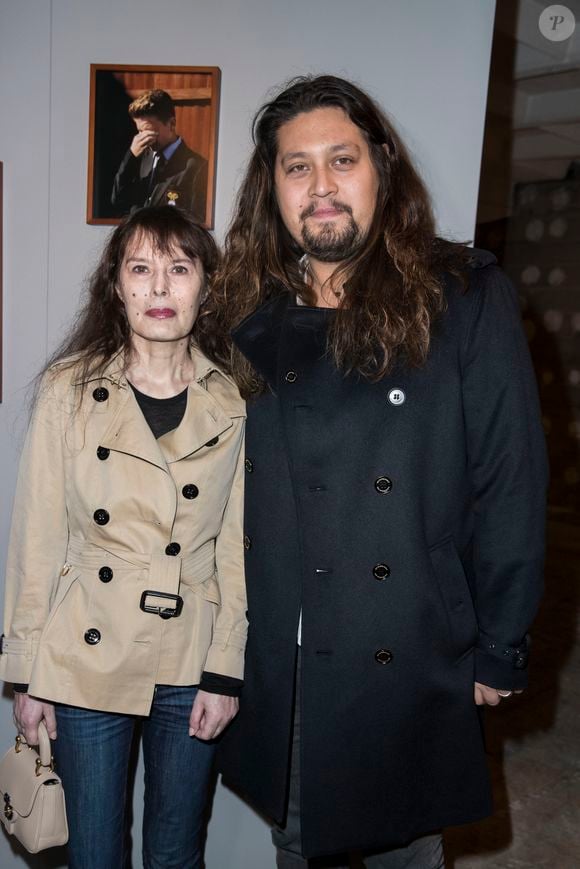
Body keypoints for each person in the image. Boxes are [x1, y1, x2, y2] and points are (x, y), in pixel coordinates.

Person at [204, 75, 548, 868]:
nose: (321, 186)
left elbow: (510, 484)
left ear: (382, 168)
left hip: (408, 641)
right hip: (289, 653)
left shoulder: (462, 297)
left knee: (406, 847)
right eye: (297, 167)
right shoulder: (244, 312)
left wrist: (500, 644)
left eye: (341, 159)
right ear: (274, 188)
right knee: (301, 842)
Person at [0, 206, 247, 868]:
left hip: (191, 655)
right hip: (84, 657)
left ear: (205, 283)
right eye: (140, 269)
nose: (159, 289)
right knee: (96, 855)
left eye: (178, 269)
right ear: (116, 284)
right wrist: (28, 674)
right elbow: (37, 543)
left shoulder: (233, 400)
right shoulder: (68, 391)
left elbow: (235, 548)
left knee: (175, 854)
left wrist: (225, 670)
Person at [111, 89, 208, 221]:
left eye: (149, 131)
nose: (144, 138)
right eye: (140, 131)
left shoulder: (197, 167)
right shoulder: (140, 158)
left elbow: (196, 221)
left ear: (172, 124)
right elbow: (117, 201)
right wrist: (131, 156)